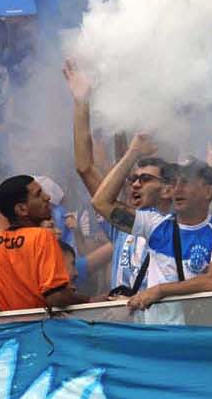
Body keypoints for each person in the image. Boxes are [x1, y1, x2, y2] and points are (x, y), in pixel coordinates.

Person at [66, 59, 176, 293]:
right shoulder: (120, 224)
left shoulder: (178, 226)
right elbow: (84, 167)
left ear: (168, 189)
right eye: (133, 179)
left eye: (145, 180)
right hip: (122, 316)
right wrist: (81, 102)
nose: (135, 184)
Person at [93, 135, 212, 313]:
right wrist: (132, 153)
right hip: (156, 328)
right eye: (175, 183)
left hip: (198, 328)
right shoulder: (155, 224)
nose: (178, 189)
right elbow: (101, 202)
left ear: (208, 191)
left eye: (185, 182)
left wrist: (160, 290)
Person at [0, 175, 84, 313]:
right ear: (22, 209)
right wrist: (89, 301)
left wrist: (13, 314)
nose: (47, 197)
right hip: (42, 325)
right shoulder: (42, 236)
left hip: (9, 326)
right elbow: (56, 297)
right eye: (38, 194)